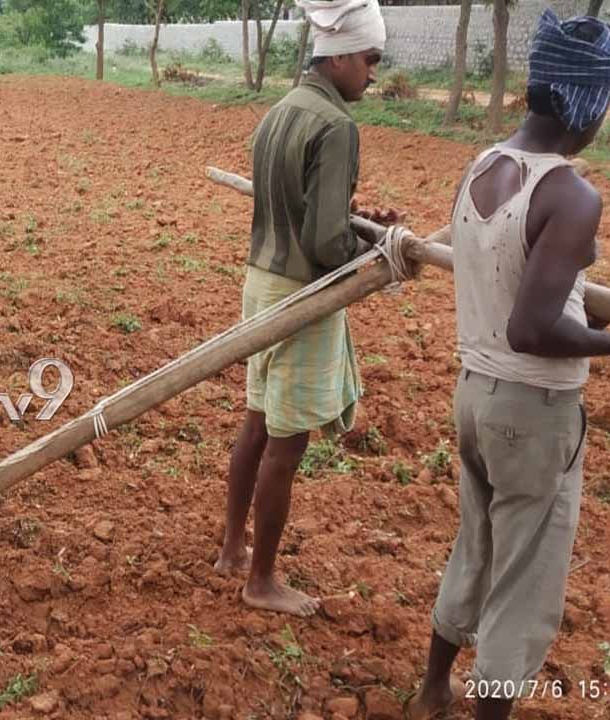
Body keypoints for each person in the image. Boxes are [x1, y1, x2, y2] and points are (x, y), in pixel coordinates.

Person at [406, 10, 610, 720]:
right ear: (588, 103)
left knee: (476, 546)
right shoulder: (571, 193)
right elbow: (534, 326)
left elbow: (529, 287)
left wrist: (590, 317)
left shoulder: (486, 166)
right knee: (525, 579)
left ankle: (431, 692)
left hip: (475, 397)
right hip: (532, 413)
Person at [214, 0, 404, 617]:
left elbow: (301, 209)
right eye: (370, 60)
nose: (373, 73)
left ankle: (231, 550)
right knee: (286, 442)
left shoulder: (281, 111)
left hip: (261, 280)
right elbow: (324, 243)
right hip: (301, 294)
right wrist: (372, 256)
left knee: (256, 424)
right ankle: (262, 582)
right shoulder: (337, 125)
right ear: (342, 54)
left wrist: (357, 222)